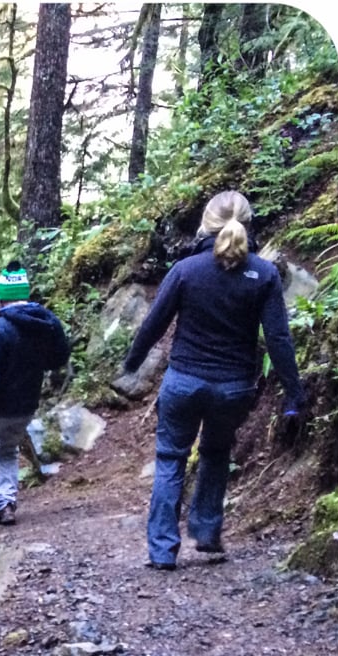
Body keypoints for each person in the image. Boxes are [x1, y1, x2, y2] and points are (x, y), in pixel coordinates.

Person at [119, 190, 306, 570]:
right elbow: (278, 339)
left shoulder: (185, 271)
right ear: (247, 225)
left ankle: (162, 549)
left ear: (207, 224)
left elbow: (154, 324)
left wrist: (132, 364)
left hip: (184, 383)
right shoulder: (265, 274)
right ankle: (206, 532)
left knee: (171, 458)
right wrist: (294, 393)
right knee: (216, 453)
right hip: (233, 389)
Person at [0, 261, 71, 527]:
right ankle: (5, 504)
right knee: (6, 449)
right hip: (27, 403)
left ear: (3, 298)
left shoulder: (0, 328)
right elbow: (60, 357)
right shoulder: (47, 322)